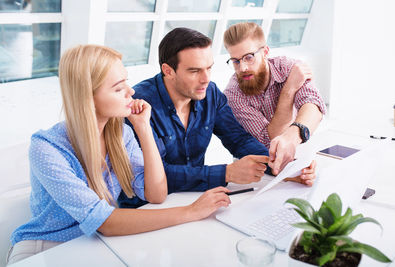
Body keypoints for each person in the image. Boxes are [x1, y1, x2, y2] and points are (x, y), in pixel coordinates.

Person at [7, 45, 232, 265]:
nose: (131, 91)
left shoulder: (121, 134)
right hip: (44, 249)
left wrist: (144, 129)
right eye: (118, 88)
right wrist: (191, 212)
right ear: (88, 97)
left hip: (95, 244)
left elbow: (156, 194)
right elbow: (105, 221)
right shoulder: (47, 148)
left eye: (126, 81)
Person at [120, 27, 316, 208]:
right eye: (195, 71)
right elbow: (156, 175)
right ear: (168, 71)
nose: (206, 79)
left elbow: (239, 140)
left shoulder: (210, 93)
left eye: (209, 68)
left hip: (193, 199)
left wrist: (282, 166)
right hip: (145, 207)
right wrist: (227, 173)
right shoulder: (139, 105)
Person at [223, 22, 327, 175]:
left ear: (265, 52)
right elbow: (269, 140)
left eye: (249, 57)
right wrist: (289, 90)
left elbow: (314, 106)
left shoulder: (287, 67)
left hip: (295, 156)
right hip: (255, 170)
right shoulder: (233, 94)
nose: (243, 68)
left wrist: (292, 137)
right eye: (236, 61)